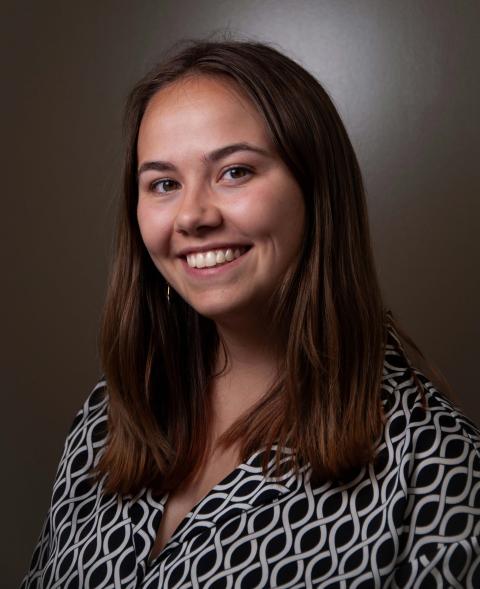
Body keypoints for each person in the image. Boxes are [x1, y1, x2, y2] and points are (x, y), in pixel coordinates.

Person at [22, 40, 480, 588]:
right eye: (164, 184)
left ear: (317, 190)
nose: (192, 216)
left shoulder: (441, 471)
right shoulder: (109, 417)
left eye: (235, 172)